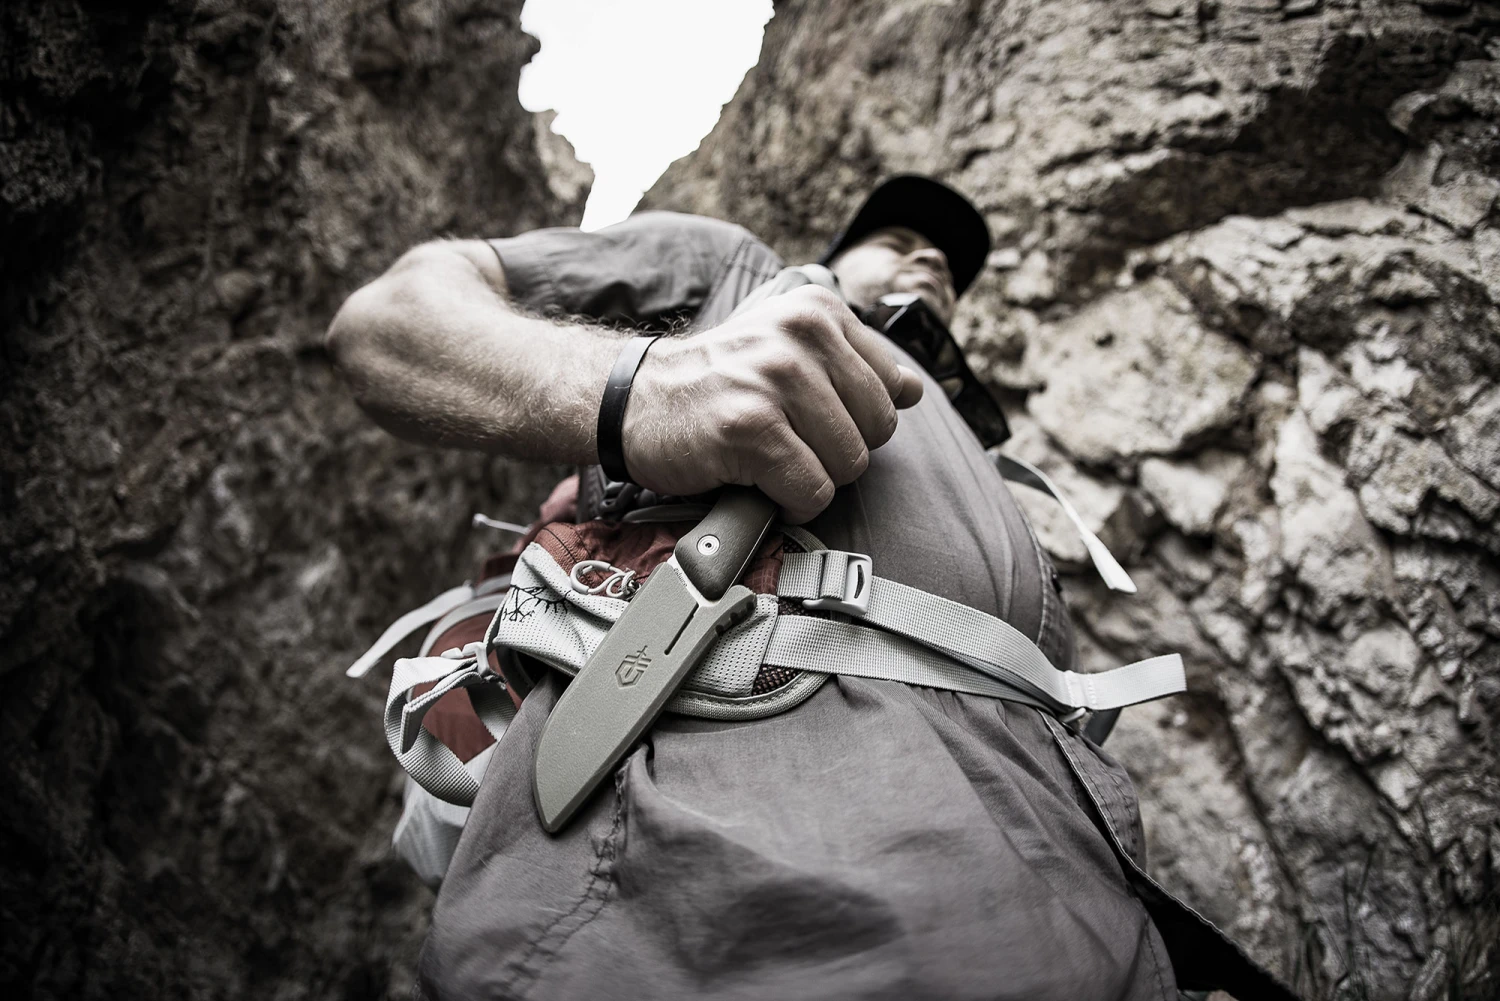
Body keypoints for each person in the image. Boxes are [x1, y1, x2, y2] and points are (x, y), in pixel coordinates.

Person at [327, 177, 1293, 1001]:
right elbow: (390, 324)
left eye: (946, 265)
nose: (930, 261)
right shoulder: (735, 272)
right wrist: (641, 389)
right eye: (897, 240)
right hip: (707, 885)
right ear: (834, 254)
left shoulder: (976, 454)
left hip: (1064, 907)